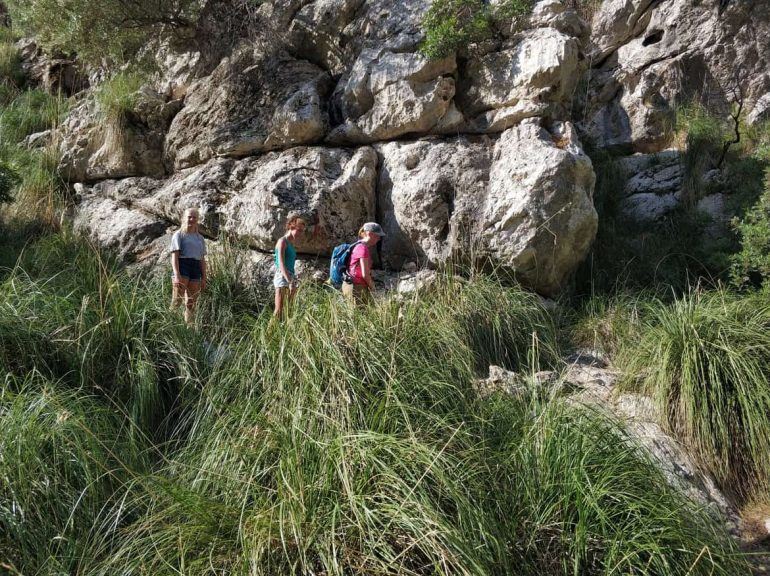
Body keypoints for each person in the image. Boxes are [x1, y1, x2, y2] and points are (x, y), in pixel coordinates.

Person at [170, 207, 207, 325]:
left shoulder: (200, 238)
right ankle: (168, 326)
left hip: (195, 268)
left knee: (191, 303)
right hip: (183, 265)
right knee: (177, 300)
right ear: (184, 218)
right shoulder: (179, 235)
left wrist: (204, 277)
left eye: (194, 217)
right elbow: (174, 256)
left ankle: (189, 329)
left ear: (197, 220)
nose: (191, 219)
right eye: (189, 217)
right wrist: (176, 274)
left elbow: (202, 259)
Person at [342, 222, 385, 305]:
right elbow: (365, 274)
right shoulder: (363, 249)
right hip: (356, 287)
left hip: (350, 284)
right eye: (377, 236)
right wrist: (372, 286)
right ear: (369, 234)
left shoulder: (358, 245)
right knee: (356, 316)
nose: (379, 238)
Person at [274, 213, 306, 317]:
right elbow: (281, 263)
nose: (301, 233)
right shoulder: (282, 241)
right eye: (299, 230)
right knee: (278, 311)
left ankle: (280, 332)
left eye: (302, 231)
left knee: (287, 311)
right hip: (283, 277)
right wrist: (290, 281)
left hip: (289, 276)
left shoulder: (290, 244)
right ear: (291, 227)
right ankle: (268, 333)